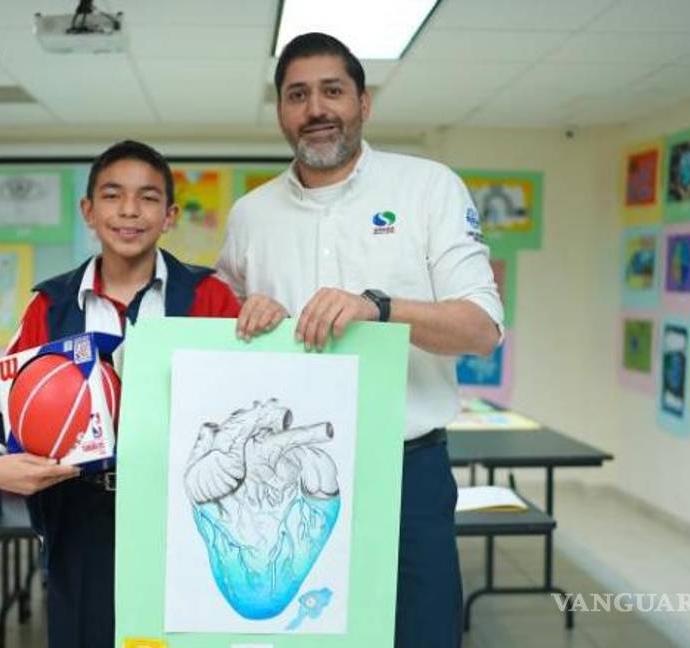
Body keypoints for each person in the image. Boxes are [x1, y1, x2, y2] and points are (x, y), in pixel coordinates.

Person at [216, 32, 504, 648]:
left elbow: (481, 329)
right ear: (281, 112)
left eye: (332, 91)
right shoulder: (250, 216)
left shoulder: (428, 188)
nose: (316, 109)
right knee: (294, 636)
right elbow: (218, 329)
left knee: (420, 634)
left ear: (363, 103)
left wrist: (378, 307)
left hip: (407, 472)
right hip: (282, 484)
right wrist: (246, 310)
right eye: (298, 95)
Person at [0, 140, 241, 648]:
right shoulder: (50, 306)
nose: (130, 211)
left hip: (188, 516)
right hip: (80, 518)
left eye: (148, 198)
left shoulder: (210, 297)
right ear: (88, 212)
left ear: (170, 215)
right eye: (113, 196)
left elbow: (249, 400)